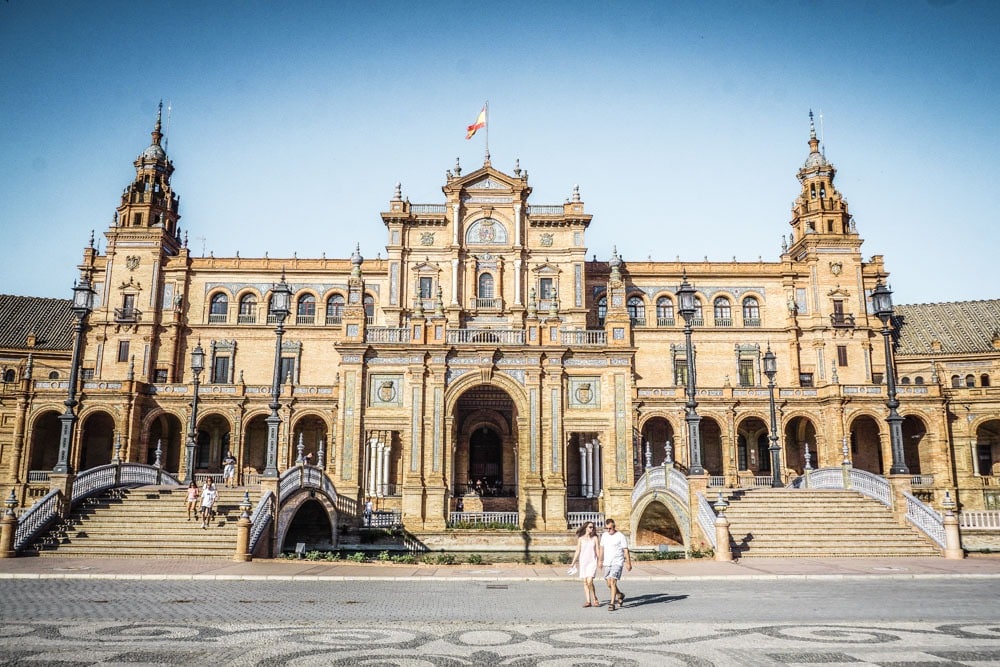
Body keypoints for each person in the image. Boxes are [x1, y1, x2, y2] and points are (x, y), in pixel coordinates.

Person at [598, 518, 632, 611]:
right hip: (607, 562)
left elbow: (625, 549)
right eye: (607, 528)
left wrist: (628, 562)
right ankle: (620, 595)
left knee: (613, 581)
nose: (608, 530)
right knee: (609, 583)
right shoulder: (604, 536)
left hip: (617, 562)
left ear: (614, 527)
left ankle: (612, 603)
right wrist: (600, 561)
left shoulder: (620, 536)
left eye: (610, 528)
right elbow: (601, 548)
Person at [569, 521, 600, 607]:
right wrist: (573, 562)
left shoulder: (595, 538)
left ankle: (595, 598)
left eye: (593, 527)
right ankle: (588, 601)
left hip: (592, 561)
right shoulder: (581, 538)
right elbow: (578, 551)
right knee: (585, 582)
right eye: (590, 527)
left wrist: (600, 560)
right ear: (586, 528)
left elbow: (597, 549)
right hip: (583, 562)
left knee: (590, 581)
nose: (592, 528)